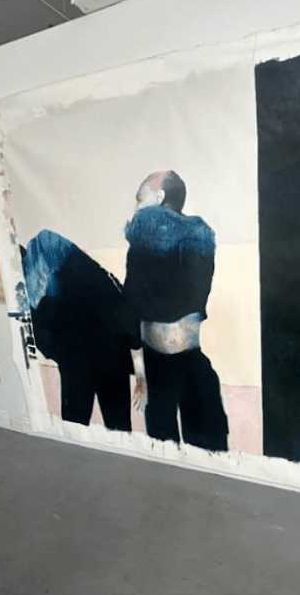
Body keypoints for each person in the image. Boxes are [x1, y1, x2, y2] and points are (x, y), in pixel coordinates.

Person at [123, 170, 229, 451]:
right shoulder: (201, 238)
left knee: (167, 450)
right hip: (188, 362)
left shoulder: (144, 241)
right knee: (206, 451)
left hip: (160, 366)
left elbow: (130, 309)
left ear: (159, 197)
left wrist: (140, 374)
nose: (136, 207)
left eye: (140, 199)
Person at [22, 229, 133, 431]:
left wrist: (62, 355)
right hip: (112, 358)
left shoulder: (41, 287)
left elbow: (41, 334)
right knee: (119, 425)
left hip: (77, 364)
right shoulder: (94, 272)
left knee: (75, 423)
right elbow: (123, 310)